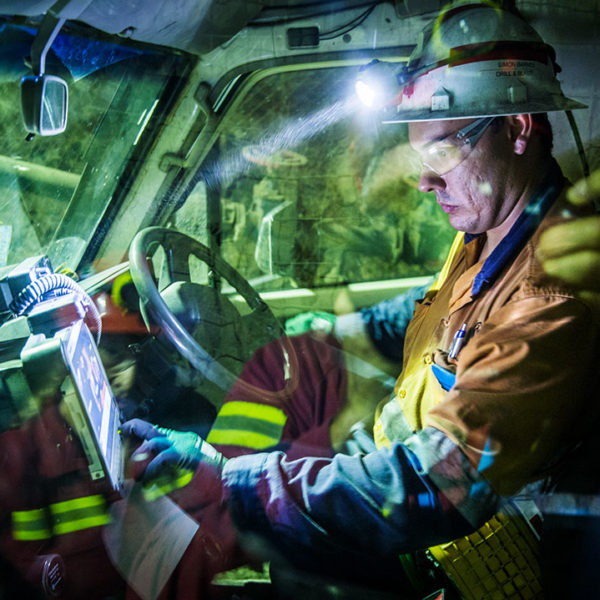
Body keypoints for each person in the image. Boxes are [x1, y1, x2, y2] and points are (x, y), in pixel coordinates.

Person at [121, 4, 600, 598]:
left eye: (440, 154)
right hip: (396, 476)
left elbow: (444, 478)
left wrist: (232, 481)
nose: (424, 181)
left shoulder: (553, 295)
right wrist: (329, 327)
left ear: (519, 129)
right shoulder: (493, 226)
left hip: (447, 556)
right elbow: (438, 307)